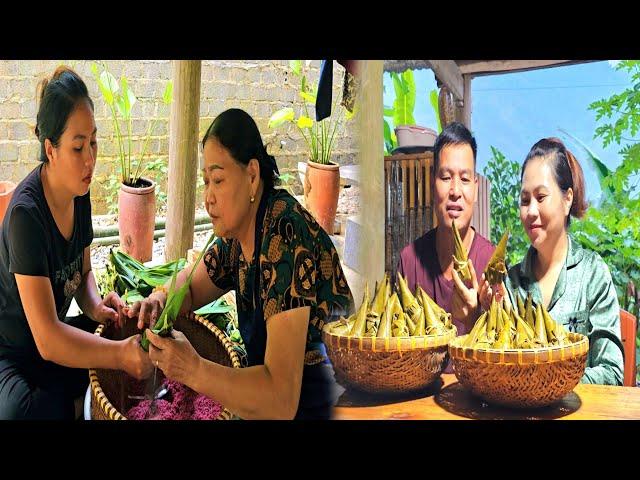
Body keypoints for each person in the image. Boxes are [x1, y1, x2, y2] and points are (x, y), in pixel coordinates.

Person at [126, 108, 354, 419]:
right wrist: (160, 299)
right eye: (206, 182)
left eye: (218, 180)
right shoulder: (237, 237)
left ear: (252, 176)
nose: (208, 198)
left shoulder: (284, 233)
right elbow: (191, 287)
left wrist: (193, 369)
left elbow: (280, 399)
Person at [0, 66, 153, 419]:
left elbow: (83, 274)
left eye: (94, 142)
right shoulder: (27, 216)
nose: (90, 159)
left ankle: (72, 400)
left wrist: (97, 306)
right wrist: (116, 355)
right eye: (78, 146)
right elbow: (48, 339)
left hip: (53, 339)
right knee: (26, 411)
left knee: (119, 334)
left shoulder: (78, 193)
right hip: (17, 354)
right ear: (50, 149)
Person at [480, 138, 624, 385]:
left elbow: (611, 373)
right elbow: (500, 375)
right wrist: (490, 313)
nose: (531, 211)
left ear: (567, 199)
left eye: (541, 197)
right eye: (525, 200)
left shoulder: (593, 274)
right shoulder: (510, 285)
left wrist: (551, 385)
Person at [397, 122, 495, 336]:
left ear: (476, 189)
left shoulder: (491, 262)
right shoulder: (409, 261)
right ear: (433, 185)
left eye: (465, 179)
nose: (455, 191)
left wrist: (473, 319)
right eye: (446, 177)